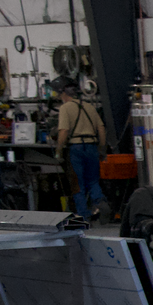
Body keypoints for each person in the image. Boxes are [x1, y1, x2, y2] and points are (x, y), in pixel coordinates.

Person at [54, 81, 106, 220]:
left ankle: (83, 215)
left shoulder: (65, 108)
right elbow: (101, 128)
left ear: (64, 94)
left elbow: (64, 131)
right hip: (92, 146)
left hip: (76, 147)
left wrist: (58, 150)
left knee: (78, 183)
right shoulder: (89, 106)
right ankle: (101, 204)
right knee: (94, 181)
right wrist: (102, 148)